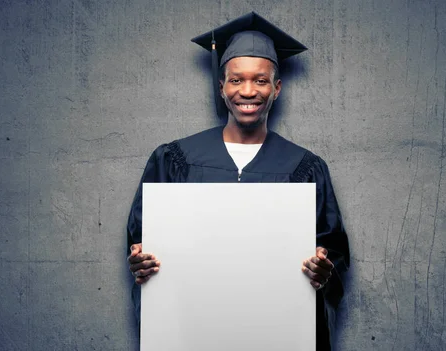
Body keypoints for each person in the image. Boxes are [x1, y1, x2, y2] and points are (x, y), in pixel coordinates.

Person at [126, 12, 350, 351]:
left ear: (276, 88)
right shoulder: (174, 159)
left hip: (276, 332)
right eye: (236, 80)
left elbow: (332, 249)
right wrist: (140, 260)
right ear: (221, 86)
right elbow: (141, 239)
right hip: (193, 331)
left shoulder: (306, 167)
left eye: (260, 81)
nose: (248, 91)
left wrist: (323, 267)